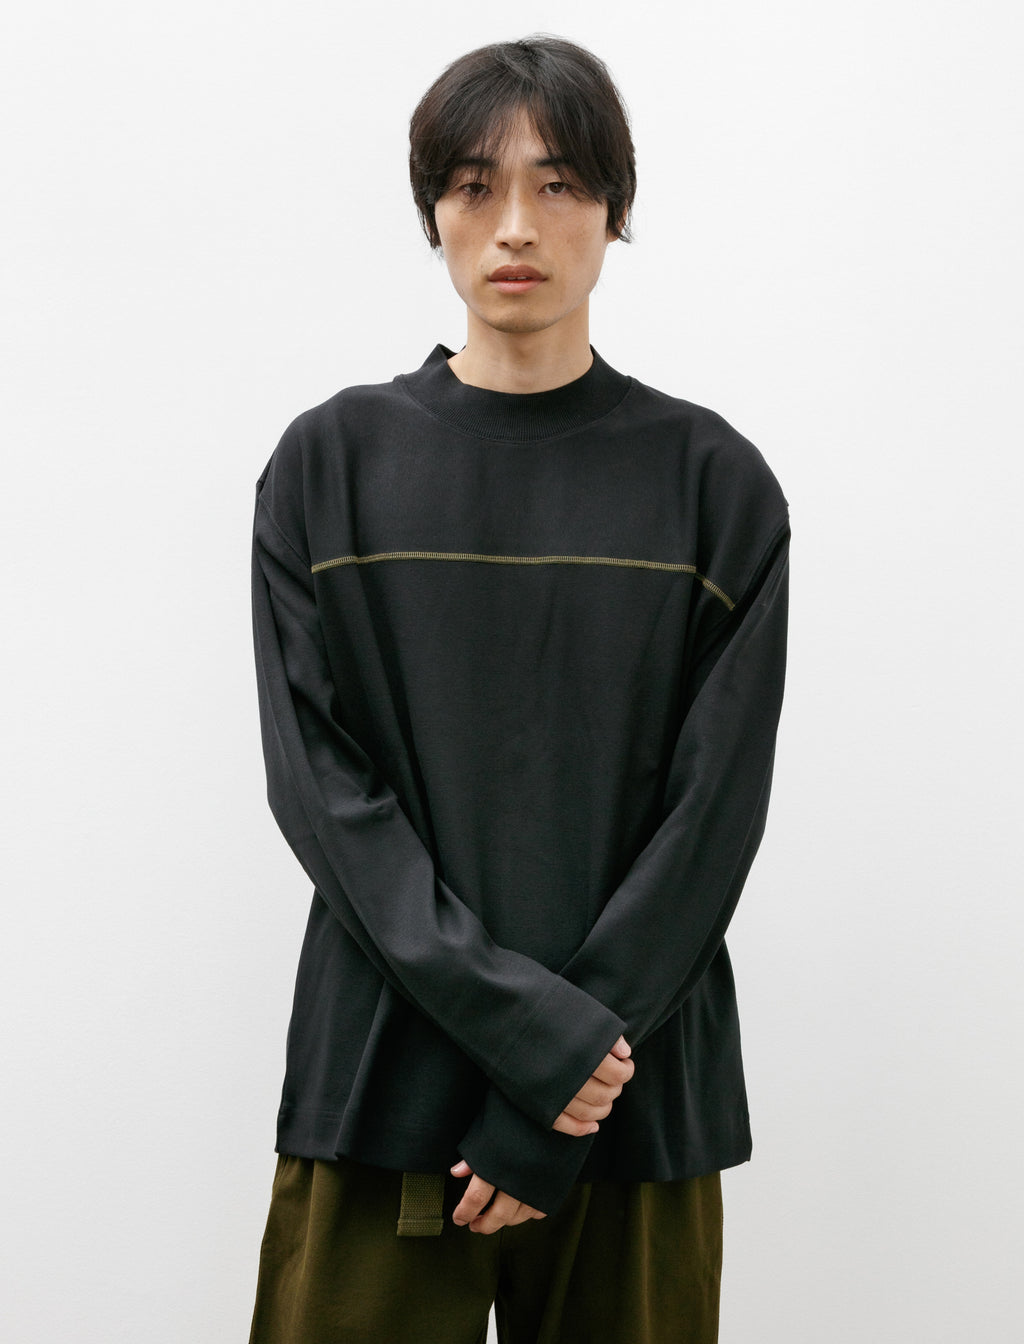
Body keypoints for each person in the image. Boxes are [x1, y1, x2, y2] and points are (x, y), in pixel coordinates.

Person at [248, 34, 788, 1344]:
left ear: (615, 207)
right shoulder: (329, 467)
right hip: (384, 1088)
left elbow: (711, 824)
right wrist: (547, 1050)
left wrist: (564, 1090)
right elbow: (325, 798)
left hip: (633, 1105)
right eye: (475, 185)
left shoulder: (714, 487)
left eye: (558, 185)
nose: (515, 227)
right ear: (431, 208)